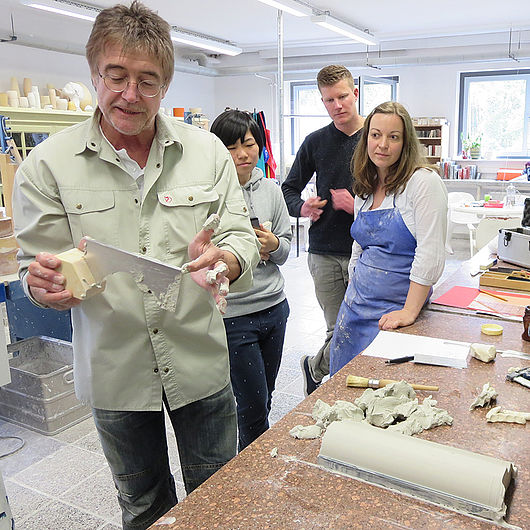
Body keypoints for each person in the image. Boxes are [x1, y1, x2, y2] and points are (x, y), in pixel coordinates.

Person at [12, 3, 259, 529]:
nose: (130, 94)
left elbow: (239, 233)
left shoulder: (207, 153)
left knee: (219, 501)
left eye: (147, 80)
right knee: (144, 506)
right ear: (94, 74)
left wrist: (228, 260)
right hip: (115, 372)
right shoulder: (46, 165)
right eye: (116, 76)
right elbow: (36, 267)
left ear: (165, 85)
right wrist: (44, 286)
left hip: (199, 360)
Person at [329, 101, 447, 374]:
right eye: (375, 135)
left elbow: (430, 254)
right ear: (366, 138)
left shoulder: (423, 183)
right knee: (343, 392)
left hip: (395, 315)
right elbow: (360, 245)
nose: (382, 144)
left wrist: (409, 312)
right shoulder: (365, 188)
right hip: (354, 311)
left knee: (384, 395)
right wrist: (352, 287)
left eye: (393, 137)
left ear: (405, 144)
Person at [211, 110, 291, 450]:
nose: (243, 154)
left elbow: (286, 248)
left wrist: (273, 246)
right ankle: (251, 478)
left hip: (274, 307)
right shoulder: (208, 195)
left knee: (265, 395)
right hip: (235, 316)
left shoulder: (270, 189)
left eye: (249, 144)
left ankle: (250, 459)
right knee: (253, 405)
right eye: (231, 147)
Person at [281, 64, 364, 395]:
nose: (337, 106)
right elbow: (287, 189)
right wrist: (302, 207)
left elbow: (398, 200)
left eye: (343, 97)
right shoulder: (315, 142)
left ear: (355, 93)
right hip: (325, 251)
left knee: (358, 329)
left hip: (369, 250)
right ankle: (342, 394)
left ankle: (315, 368)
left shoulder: (376, 137)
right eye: (329, 100)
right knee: (338, 330)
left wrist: (357, 205)